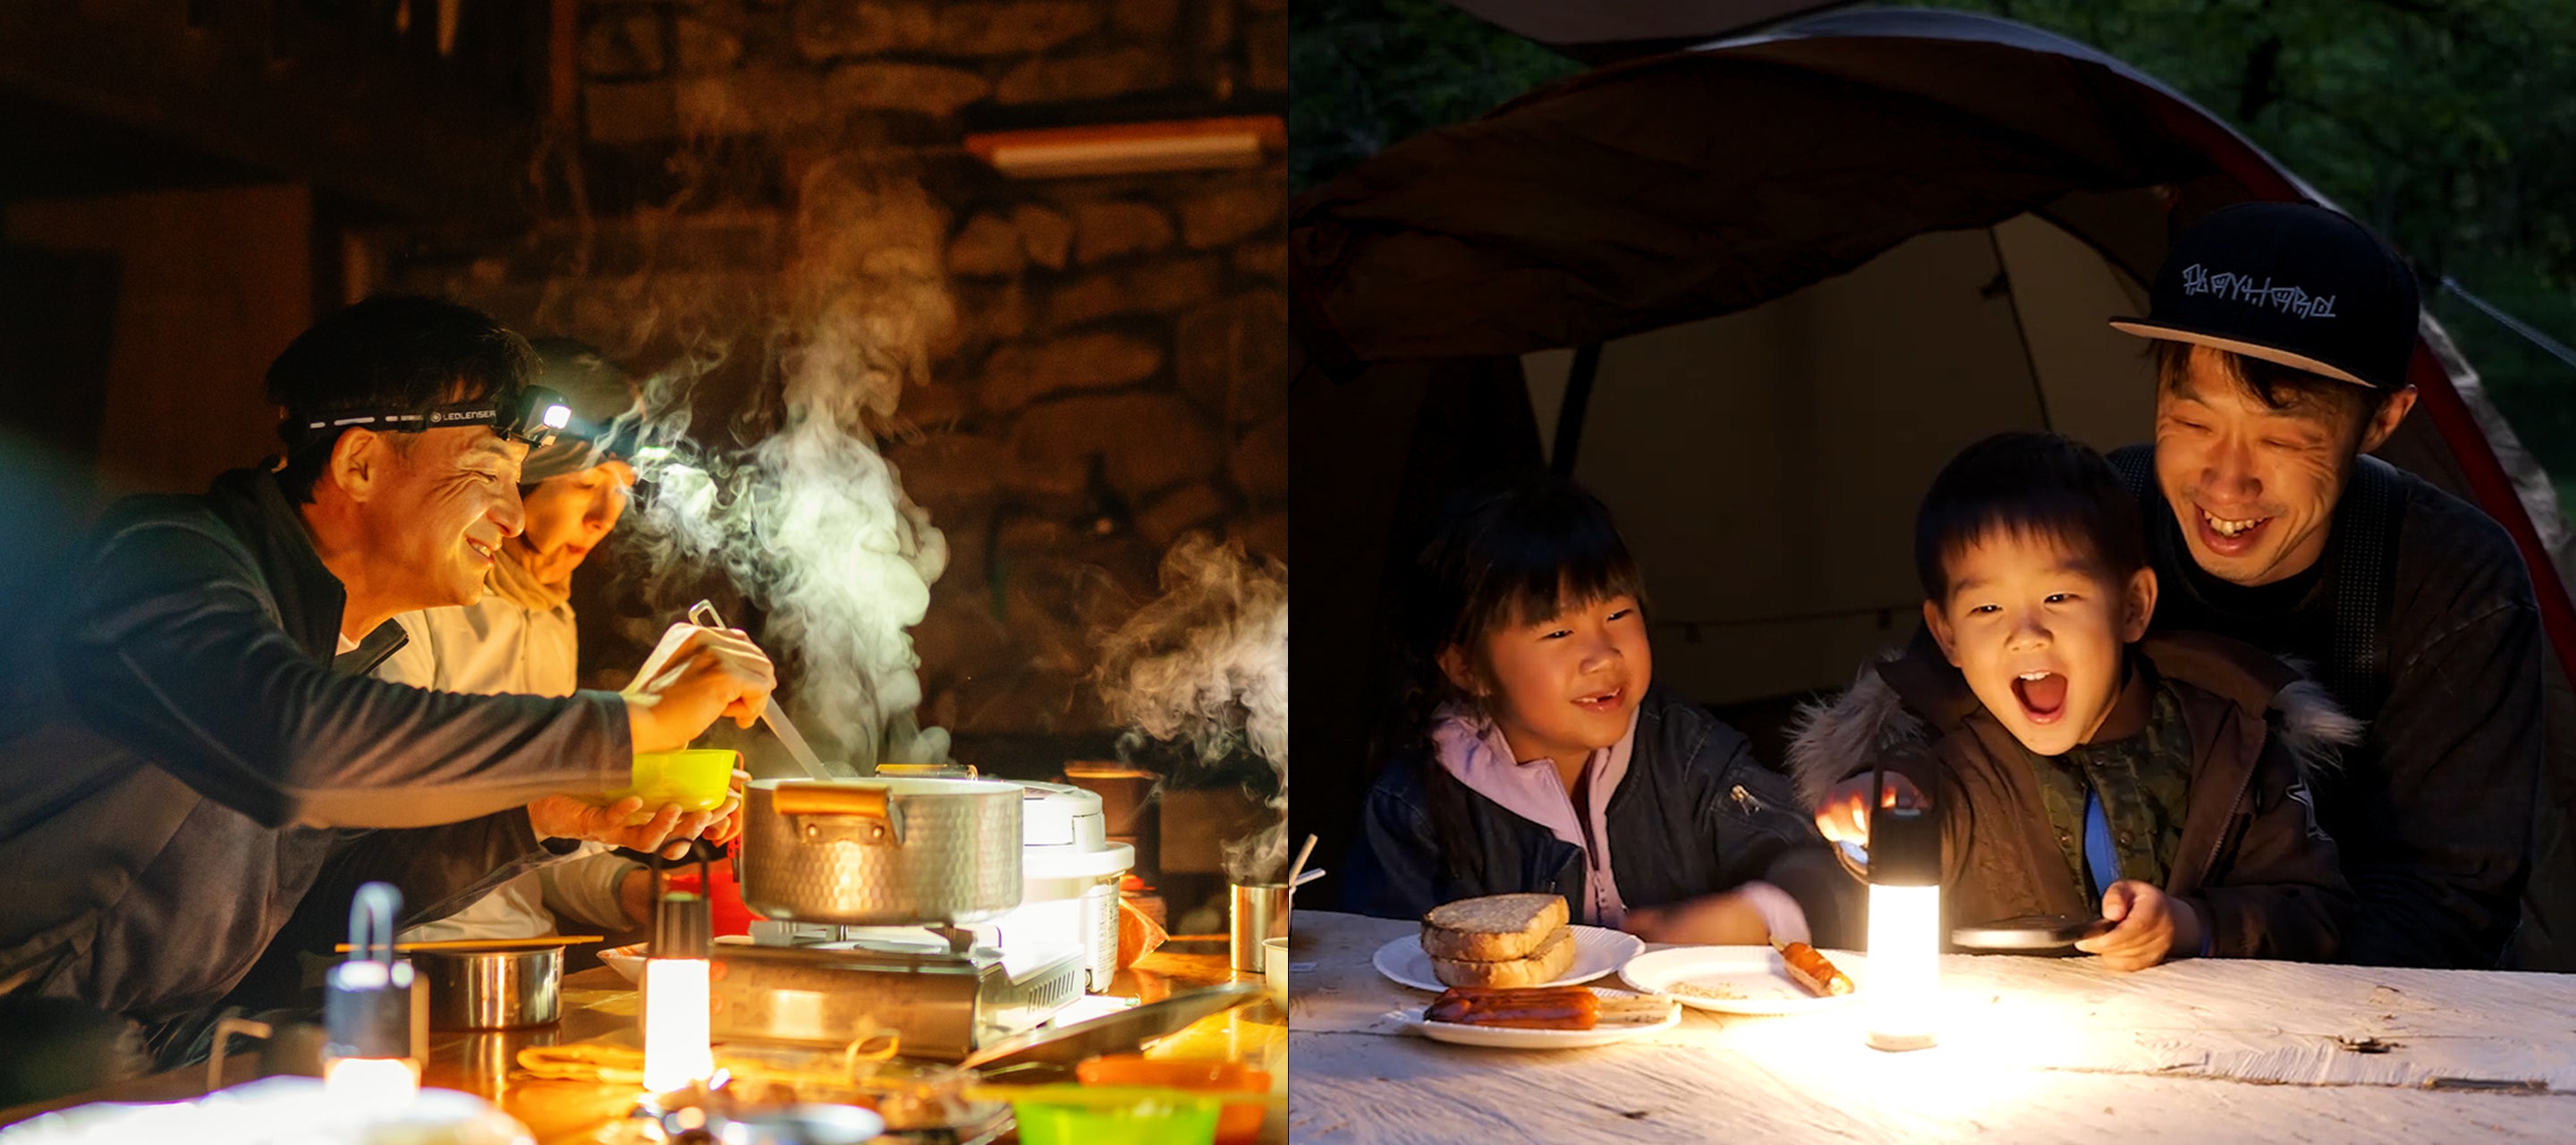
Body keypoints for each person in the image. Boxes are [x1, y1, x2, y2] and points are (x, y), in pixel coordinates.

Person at [0, 295, 775, 1069]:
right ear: (359, 463)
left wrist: (539, 814)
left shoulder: (339, 638)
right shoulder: (163, 559)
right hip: (32, 1035)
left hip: (170, 1040)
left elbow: (325, 904)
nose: (510, 515)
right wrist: (624, 726)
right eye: (488, 472)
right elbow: (292, 747)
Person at [2103, 201, 2546, 968]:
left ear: (2382, 420)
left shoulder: (2454, 581)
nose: (2227, 482)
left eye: (2281, 438)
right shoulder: (2091, 523)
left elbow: (2447, 902)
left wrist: (2211, 960)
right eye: (2196, 423)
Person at [1794, 432, 2356, 969]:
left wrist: (2188, 925)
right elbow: (1908, 826)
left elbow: (2316, 912)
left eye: (2059, 596)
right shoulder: (1950, 767)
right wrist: (1873, 816)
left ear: (2133, 606)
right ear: (1946, 636)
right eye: (1987, 610)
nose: (2027, 634)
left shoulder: (2233, 744)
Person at [1343, 470, 1858, 948]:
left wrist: (1762, 912)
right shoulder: (1418, 806)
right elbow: (1377, 967)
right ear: (1466, 668)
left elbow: (1821, 860)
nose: (1603, 654)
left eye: (1617, 614)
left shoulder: (1685, 752)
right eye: (1559, 632)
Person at [382, 338, 667, 946]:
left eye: (623, 488)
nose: (605, 517)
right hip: (412, 955)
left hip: (524, 955)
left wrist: (634, 891)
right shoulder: (416, 602)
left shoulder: (551, 616)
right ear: (517, 481)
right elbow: (386, 819)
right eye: (586, 484)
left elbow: (543, 842)